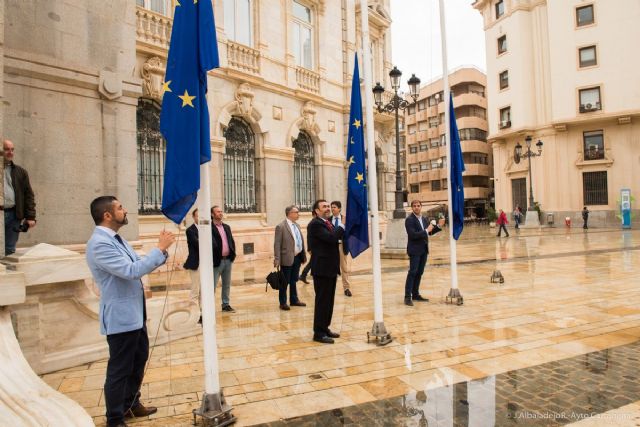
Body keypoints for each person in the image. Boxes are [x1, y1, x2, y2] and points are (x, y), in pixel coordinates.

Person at [86, 196, 175, 427]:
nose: (125, 211)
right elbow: (131, 270)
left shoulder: (118, 239)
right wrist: (160, 249)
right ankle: (115, 418)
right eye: (120, 208)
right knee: (119, 368)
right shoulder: (99, 244)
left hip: (136, 315)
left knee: (138, 360)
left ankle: (131, 403)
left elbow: (140, 261)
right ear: (107, 215)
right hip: (121, 317)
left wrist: (160, 253)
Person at [307, 199, 344, 344]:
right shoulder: (316, 224)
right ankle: (318, 333)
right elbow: (331, 238)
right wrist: (342, 225)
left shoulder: (326, 223)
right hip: (322, 269)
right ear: (316, 210)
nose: (328, 208)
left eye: (329, 206)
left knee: (329, 301)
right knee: (322, 301)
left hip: (330, 268)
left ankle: (325, 327)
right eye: (324, 207)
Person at [404, 200, 444, 306]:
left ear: (421, 207)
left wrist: (438, 226)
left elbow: (429, 232)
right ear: (412, 208)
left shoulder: (424, 218)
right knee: (412, 272)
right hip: (414, 250)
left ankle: (415, 294)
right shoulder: (409, 220)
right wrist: (426, 230)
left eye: (418, 206)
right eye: (414, 206)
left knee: (419, 272)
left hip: (424, 250)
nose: (417, 207)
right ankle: (407, 297)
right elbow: (413, 235)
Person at [2, 139, 36, 256]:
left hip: (14, 216)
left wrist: (30, 216)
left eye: (12, 149)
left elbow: (29, 195)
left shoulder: (20, 172)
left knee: (10, 250)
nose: (10, 152)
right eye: (6, 149)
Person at [273, 205, 307, 310]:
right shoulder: (281, 226)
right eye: (296, 212)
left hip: (297, 257)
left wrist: (303, 255)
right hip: (286, 258)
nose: (298, 214)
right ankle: (283, 302)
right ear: (290, 213)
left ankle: (294, 300)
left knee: (294, 280)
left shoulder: (296, 225)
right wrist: (277, 259)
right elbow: (277, 244)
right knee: (285, 281)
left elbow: (300, 241)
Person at [211, 205, 236, 312]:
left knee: (226, 284)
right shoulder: (209, 228)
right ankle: (209, 306)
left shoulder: (227, 227)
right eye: (217, 212)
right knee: (212, 285)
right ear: (212, 214)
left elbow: (231, 241)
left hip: (228, 260)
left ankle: (225, 304)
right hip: (216, 261)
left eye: (221, 211)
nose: (220, 213)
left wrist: (233, 254)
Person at [330, 201, 353, 297]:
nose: (332, 209)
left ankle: (346, 288)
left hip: (342, 245)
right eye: (331, 207)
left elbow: (349, 232)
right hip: (331, 246)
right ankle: (331, 288)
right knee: (331, 268)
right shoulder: (328, 219)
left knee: (344, 268)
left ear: (339, 208)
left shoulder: (345, 219)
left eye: (334, 207)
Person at [183, 209, 201, 321]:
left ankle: (203, 312)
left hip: (207, 264)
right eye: (198, 216)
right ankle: (195, 314)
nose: (200, 218)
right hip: (196, 263)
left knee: (204, 290)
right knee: (195, 290)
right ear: (194, 217)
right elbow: (197, 244)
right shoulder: (190, 230)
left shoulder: (209, 229)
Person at [298, 210, 316, 285]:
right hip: (314, 247)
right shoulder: (312, 224)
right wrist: (309, 248)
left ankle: (303, 275)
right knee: (312, 262)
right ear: (314, 214)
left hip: (317, 247)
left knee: (312, 262)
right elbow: (309, 237)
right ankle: (303, 275)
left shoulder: (318, 222)